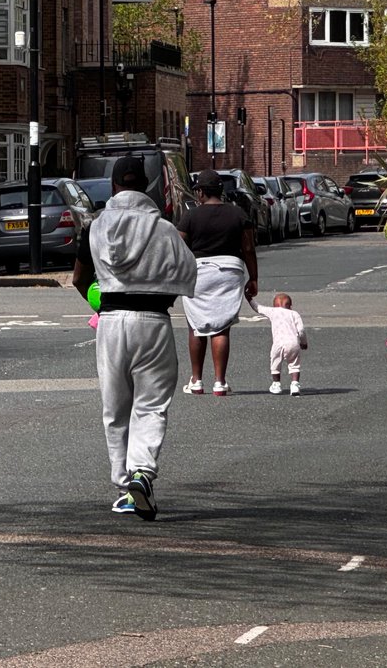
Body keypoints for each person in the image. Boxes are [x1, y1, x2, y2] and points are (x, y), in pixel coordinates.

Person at [73, 156, 197, 520]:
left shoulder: (96, 226)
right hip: (153, 321)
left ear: (113, 186)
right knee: (151, 404)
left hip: (111, 320)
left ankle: (126, 484)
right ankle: (142, 474)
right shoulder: (163, 228)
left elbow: (80, 278)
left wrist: (100, 301)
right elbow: (188, 271)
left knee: (115, 408)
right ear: (145, 187)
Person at [176, 169, 258, 395]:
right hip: (230, 271)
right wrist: (254, 278)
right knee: (221, 327)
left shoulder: (190, 216)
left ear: (200, 192)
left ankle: (196, 381)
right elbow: (249, 248)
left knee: (196, 326)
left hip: (199, 272)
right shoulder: (238, 214)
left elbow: (178, 246)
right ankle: (220, 382)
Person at [247, 292, 308, 395]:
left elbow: (257, 308)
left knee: (275, 363)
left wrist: (249, 298)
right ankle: (295, 385)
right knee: (294, 364)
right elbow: (301, 330)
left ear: (274, 305)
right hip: (293, 343)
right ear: (290, 306)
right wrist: (303, 342)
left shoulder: (272, 311)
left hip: (278, 343)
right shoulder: (294, 314)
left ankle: (276, 384)